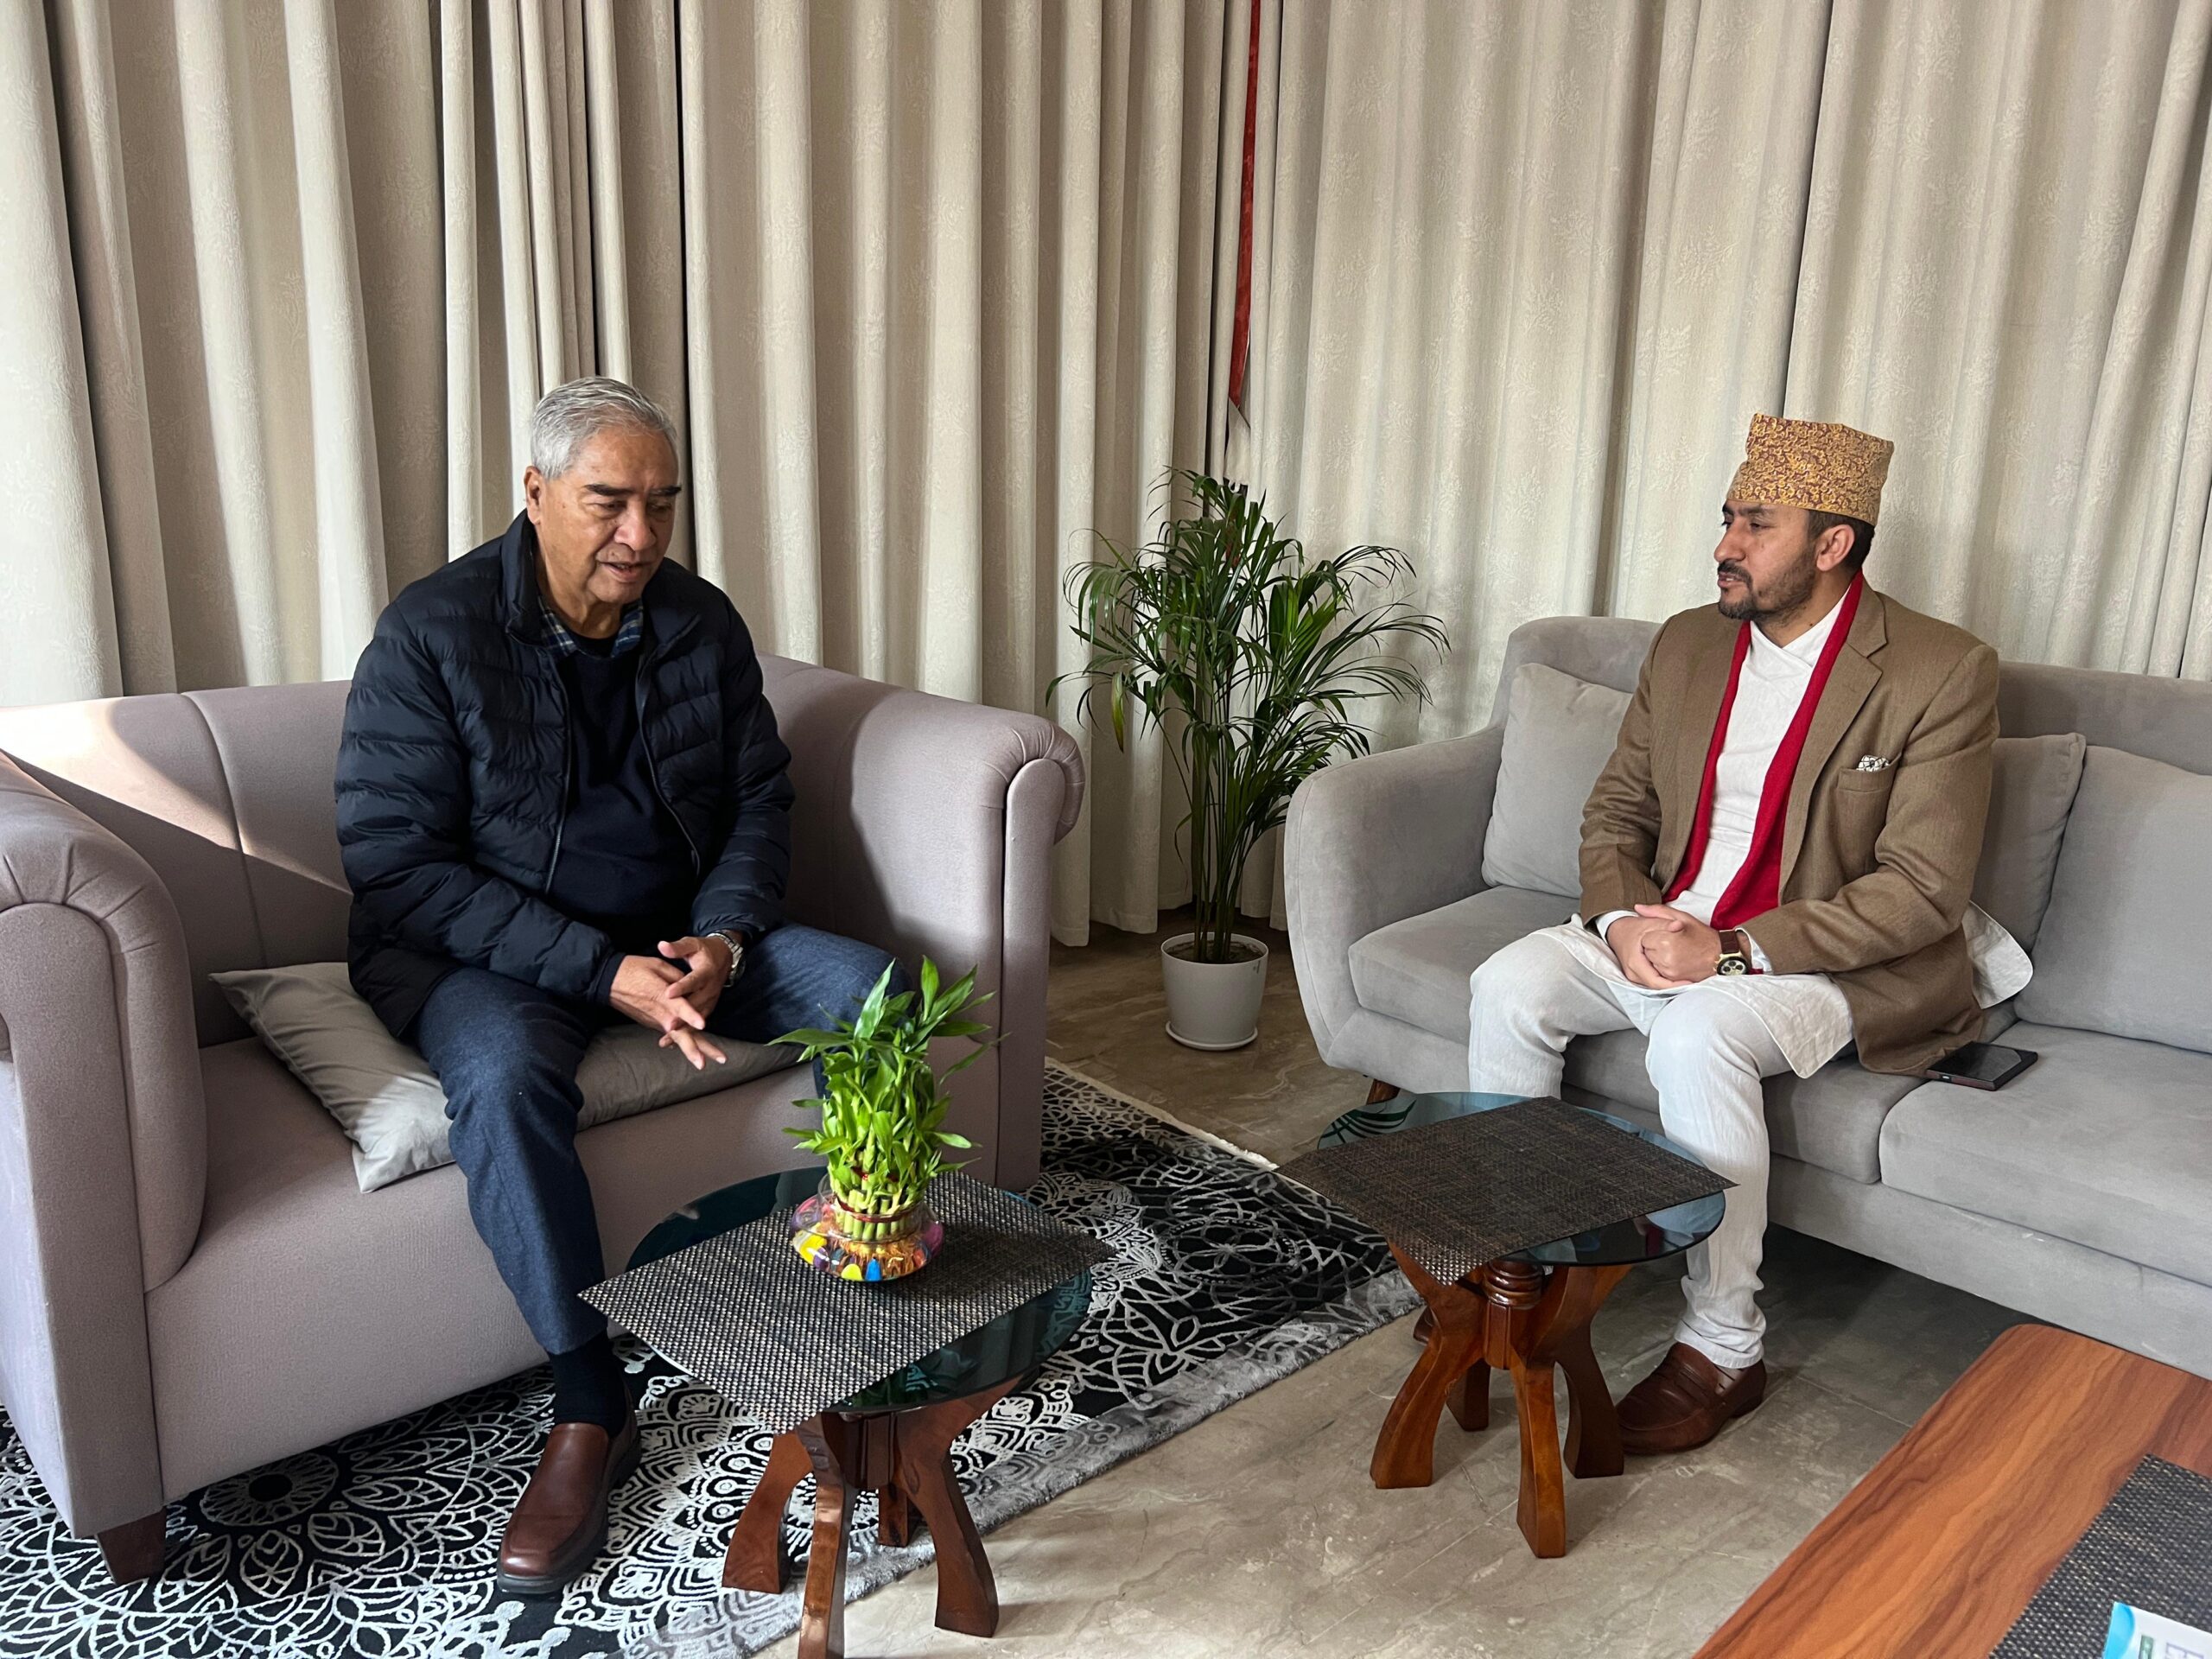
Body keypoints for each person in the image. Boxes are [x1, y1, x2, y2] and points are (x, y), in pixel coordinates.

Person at [335, 377, 898, 1593]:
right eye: (609, 502)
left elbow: (757, 798)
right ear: (536, 493)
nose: (641, 535)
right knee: (501, 1081)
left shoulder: (698, 621)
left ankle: (859, 1279)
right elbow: (395, 865)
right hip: (488, 957)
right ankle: (591, 1402)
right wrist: (600, 972)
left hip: (678, 937)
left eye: (663, 503)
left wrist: (724, 938)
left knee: (880, 997)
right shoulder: (431, 633)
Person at [1465, 414, 2030, 1456]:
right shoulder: (1688, 642)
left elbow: (1920, 891)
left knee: (1696, 1035)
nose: (1725, 543)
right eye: (1727, 517)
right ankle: (1515, 1273)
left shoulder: (1940, 670)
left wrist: (1725, 952)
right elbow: (1616, 812)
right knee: (1506, 983)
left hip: (1823, 959)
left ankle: (1723, 1346)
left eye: (1756, 525)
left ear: (1833, 543)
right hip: (1662, 922)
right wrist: (1622, 919)